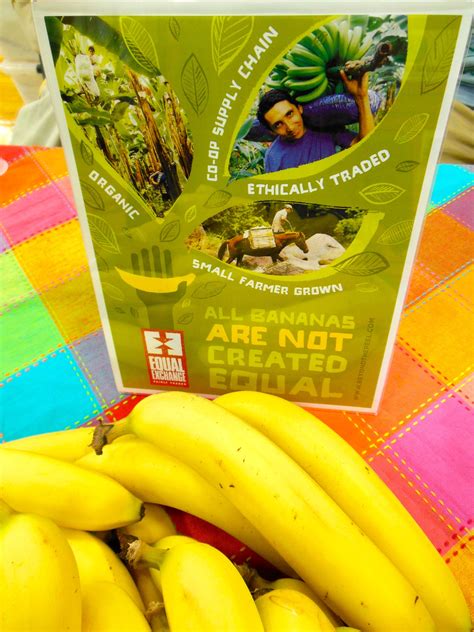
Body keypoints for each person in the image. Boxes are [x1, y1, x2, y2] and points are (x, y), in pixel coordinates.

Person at [257, 70, 375, 173]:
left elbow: (365, 145)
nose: (290, 127)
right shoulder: (273, 157)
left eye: (289, 114)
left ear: (299, 108)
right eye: (278, 125)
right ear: (271, 131)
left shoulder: (324, 129)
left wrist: (361, 97)